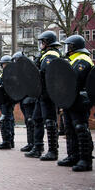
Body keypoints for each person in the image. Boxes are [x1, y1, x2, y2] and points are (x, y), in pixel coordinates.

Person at [57, 35, 95, 172]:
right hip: (70, 99)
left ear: (73, 47)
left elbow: (75, 79)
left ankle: (86, 159)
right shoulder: (72, 60)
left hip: (79, 99)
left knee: (80, 127)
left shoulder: (82, 60)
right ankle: (73, 156)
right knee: (69, 128)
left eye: (68, 46)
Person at [25, 31, 61, 161]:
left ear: (46, 42)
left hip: (48, 94)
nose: (40, 44)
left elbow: (45, 73)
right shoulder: (44, 55)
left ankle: (53, 150)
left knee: (50, 121)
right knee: (37, 119)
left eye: (42, 42)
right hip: (41, 95)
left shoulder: (51, 56)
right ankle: (38, 147)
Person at [0, 55, 16, 150]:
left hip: (8, 100)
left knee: (6, 120)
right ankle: (10, 141)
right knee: (8, 120)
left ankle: (7, 141)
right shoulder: (3, 74)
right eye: (4, 64)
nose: (5, 66)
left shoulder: (11, 74)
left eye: (7, 64)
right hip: (4, 100)